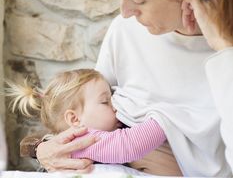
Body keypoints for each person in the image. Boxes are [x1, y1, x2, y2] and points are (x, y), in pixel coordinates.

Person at [23, 0, 233, 176]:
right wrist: (42, 147)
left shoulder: (224, 56)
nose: (125, 11)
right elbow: (86, 116)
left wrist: (224, 49)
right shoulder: (126, 31)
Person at [6, 69, 167, 165]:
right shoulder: (83, 139)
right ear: (75, 119)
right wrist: (163, 120)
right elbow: (127, 145)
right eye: (105, 101)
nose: (115, 106)